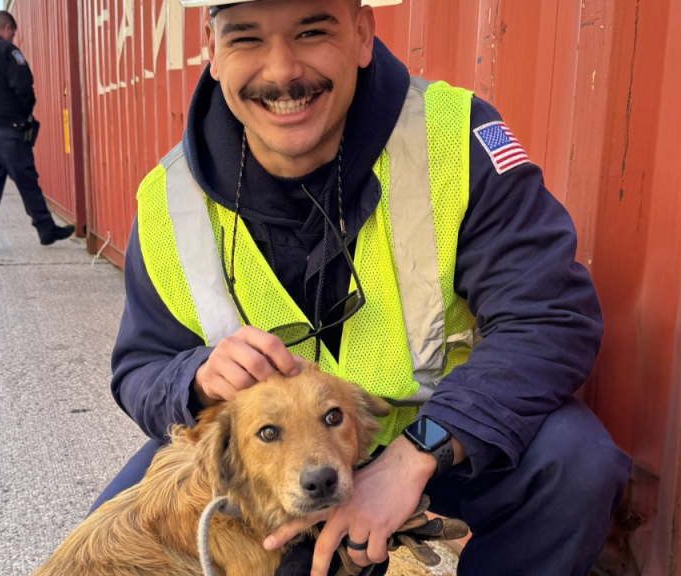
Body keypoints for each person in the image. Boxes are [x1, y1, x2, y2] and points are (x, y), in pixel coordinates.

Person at [98, 1, 633, 575]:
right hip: (279, 467)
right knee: (113, 539)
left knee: (574, 464)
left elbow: (549, 317)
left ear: (361, 34)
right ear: (213, 52)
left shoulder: (451, 137)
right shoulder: (170, 199)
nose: (281, 72)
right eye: (246, 38)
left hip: (444, 440)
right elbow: (141, 367)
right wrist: (197, 376)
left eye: (311, 30)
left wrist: (419, 453)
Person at [0, 10, 74, 255]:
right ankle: (45, 230)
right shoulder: (9, 52)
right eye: (13, 34)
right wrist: (23, 116)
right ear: (8, 28)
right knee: (27, 181)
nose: (13, 38)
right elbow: (24, 88)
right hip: (9, 130)